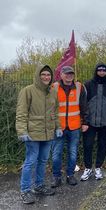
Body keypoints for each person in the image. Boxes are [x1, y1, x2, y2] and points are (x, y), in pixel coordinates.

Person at [16, 65, 61, 204]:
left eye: (48, 75)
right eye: (43, 74)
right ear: (38, 75)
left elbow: (56, 112)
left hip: (48, 133)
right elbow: (21, 113)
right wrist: (22, 131)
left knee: (42, 161)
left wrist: (58, 127)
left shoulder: (53, 91)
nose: (46, 77)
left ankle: (39, 186)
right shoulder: (27, 91)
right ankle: (25, 190)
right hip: (32, 134)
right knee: (30, 162)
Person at [51, 66, 88, 187]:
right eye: (66, 74)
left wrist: (85, 122)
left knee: (73, 153)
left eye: (71, 73)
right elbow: (50, 108)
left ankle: (70, 175)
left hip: (75, 127)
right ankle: (56, 177)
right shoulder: (54, 87)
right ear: (61, 75)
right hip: (58, 128)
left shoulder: (79, 87)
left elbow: (84, 106)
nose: (69, 76)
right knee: (56, 154)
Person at [80, 63, 106, 181]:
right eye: (99, 70)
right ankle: (88, 168)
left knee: (103, 145)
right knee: (88, 145)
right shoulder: (88, 85)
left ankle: (98, 167)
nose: (101, 72)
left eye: (104, 70)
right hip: (90, 122)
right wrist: (84, 120)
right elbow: (83, 103)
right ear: (96, 71)